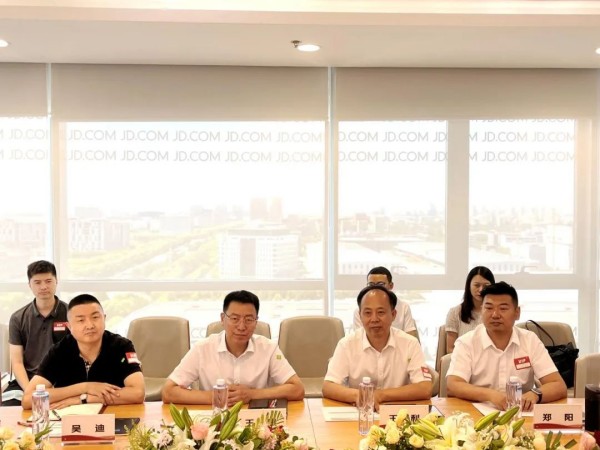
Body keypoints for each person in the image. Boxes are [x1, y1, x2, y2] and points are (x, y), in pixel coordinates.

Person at [162, 290, 304, 405]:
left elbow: (297, 389)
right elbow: (168, 392)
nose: (241, 326)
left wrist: (251, 394)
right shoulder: (202, 349)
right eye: (235, 319)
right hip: (215, 419)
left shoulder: (269, 348)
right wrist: (218, 396)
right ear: (222, 319)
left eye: (249, 319)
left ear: (256, 322)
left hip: (257, 420)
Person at [446, 282, 567, 411]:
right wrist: (491, 395)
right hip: (477, 414)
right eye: (489, 308)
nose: (495, 315)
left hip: (520, 413)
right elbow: (453, 384)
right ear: (481, 310)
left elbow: (558, 385)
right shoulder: (467, 342)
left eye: (503, 309)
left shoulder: (530, 340)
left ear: (517, 312)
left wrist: (535, 394)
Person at [21, 294, 144, 409]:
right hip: (70, 418)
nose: (90, 325)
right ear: (69, 326)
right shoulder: (59, 351)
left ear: (104, 318)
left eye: (95, 317)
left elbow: (138, 393)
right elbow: (27, 399)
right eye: (81, 320)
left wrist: (84, 399)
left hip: (112, 415)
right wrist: (85, 387)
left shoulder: (122, 346)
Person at [323, 285, 432, 407]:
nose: (374, 319)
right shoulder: (347, 345)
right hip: (360, 412)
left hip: (398, 413)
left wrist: (380, 395)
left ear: (393, 314)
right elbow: (328, 386)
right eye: (368, 313)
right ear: (360, 316)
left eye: (381, 312)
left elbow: (425, 388)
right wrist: (360, 395)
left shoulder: (410, 343)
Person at [5, 260, 69, 406]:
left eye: (48, 281)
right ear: (30, 285)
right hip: (27, 381)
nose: (43, 287)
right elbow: (17, 362)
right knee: (9, 410)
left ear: (56, 281)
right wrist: (30, 390)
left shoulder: (71, 314)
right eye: (37, 282)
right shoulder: (18, 318)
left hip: (62, 381)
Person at [352, 266, 418, 339]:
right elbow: (359, 338)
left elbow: (411, 337)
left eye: (380, 284)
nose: (375, 288)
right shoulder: (360, 310)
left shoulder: (403, 307)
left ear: (391, 286)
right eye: (371, 285)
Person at [445, 266, 495, 353]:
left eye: (486, 286)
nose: (481, 289)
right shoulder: (455, 313)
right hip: (463, 359)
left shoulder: (496, 313)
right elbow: (450, 349)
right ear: (469, 286)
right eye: (477, 285)